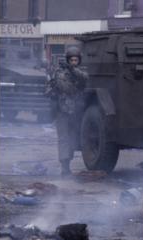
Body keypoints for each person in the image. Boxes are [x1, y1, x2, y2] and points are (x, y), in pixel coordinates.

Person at [47, 46, 88, 175]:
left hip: (75, 111)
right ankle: (65, 166)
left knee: (73, 138)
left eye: (76, 60)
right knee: (64, 138)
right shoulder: (60, 72)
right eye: (72, 60)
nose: (74, 62)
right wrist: (69, 72)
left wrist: (73, 70)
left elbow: (85, 78)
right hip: (62, 110)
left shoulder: (79, 72)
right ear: (68, 60)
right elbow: (64, 87)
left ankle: (68, 162)